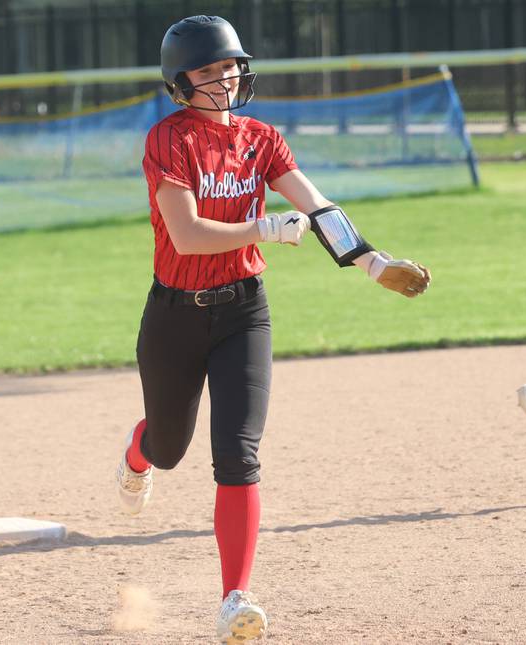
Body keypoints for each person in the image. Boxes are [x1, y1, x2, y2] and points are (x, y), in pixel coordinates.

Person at [114, 15, 431, 644]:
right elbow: (185, 234)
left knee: (237, 455)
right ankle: (138, 450)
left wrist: (372, 262)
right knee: (171, 448)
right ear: (180, 83)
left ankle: (235, 597)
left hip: (242, 313)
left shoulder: (261, 138)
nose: (223, 78)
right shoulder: (167, 140)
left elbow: (317, 207)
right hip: (175, 314)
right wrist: (262, 229)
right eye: (207, 71)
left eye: (229, 65)